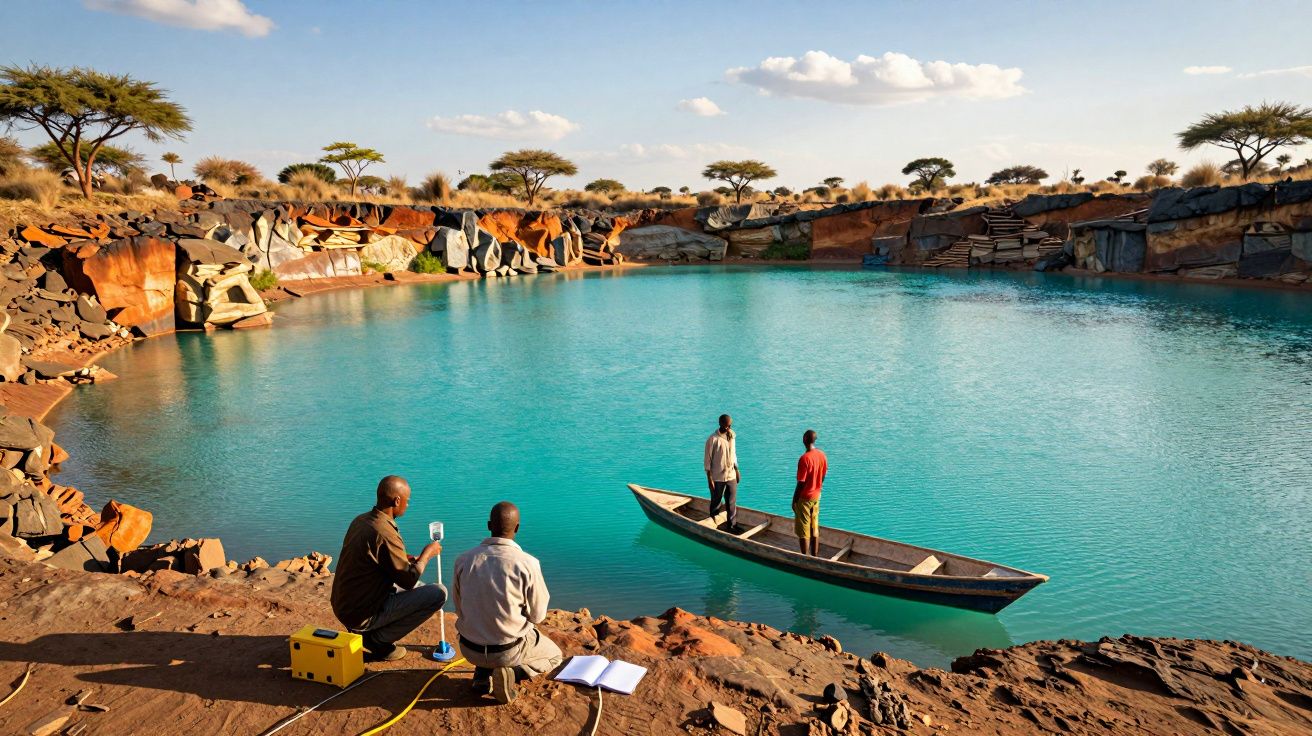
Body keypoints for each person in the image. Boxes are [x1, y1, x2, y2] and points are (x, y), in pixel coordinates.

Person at [453, 501, 563, 704]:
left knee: (484, 622)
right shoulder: (527, 563)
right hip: (507, 653)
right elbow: (538, 615)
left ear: (488, 525)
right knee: (555, 656)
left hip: (469, 649)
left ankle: (481, 675)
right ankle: (512, 673)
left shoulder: (463, 560)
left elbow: (459, 608)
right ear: (518, 528)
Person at [331, 475, 446, 662]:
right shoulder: (384, 532)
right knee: (438, 593)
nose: (408, 505)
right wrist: (427, 554)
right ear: (397, 500)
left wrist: (406, 559)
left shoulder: (362, 520)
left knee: (422, 585)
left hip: (345, 606)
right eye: (407, 501)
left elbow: (374, 559)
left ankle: (368, 631)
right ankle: (377, 641)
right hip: (360, 614)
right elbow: (408, 580)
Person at [793, 429, 828, 556]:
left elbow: (801, 482)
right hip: (817, 496)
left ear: (804, 440)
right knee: (814, 527)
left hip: (805, 498)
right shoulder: (822, 455)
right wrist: (817, 487)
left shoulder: (804, 459)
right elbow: (823, 476)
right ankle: (814, 555)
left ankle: (805, 558)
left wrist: (794, 500)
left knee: (803, 530)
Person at [704, 414, 741, 531]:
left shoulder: (732, 436)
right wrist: (709, 479)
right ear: (720, 424)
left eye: (730, 425)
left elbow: (733, 454)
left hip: (731, 475)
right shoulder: (713, 439)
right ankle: (713, 525)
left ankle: (732, 526)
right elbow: (707, 460)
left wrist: (737, 470)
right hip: (717, 476)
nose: (728, 428)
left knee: (731, 502)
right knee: (716, 502)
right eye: (726, 426)